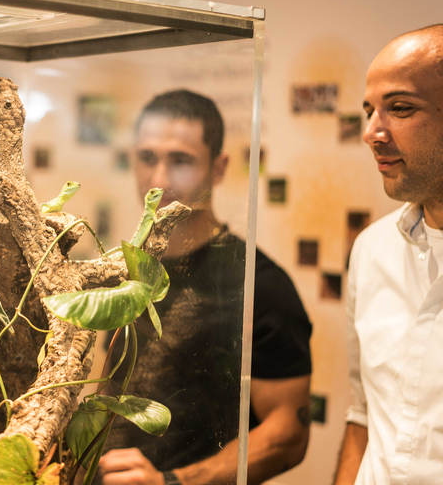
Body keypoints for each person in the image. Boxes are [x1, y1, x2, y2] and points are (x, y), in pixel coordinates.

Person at [97, 89, 312, 485]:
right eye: (147, 158)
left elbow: (288, 434)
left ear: (218, 167)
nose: (158, 180)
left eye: (180, 160)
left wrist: (172, 482)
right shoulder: (124, 269)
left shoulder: (259, 283)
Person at [334, 24, 443, 484]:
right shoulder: (371, 249)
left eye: (400, 109)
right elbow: (363, 415)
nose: (371, 133)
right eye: (368, 110)